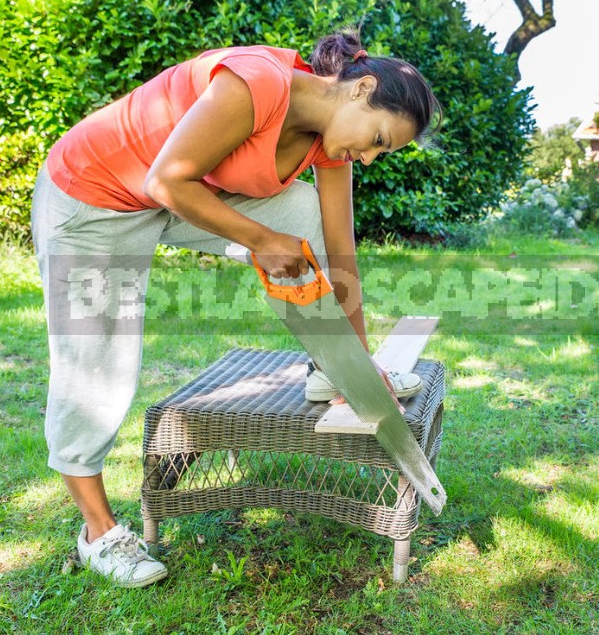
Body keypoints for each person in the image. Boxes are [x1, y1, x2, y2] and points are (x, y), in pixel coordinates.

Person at [30, 29, 442, 588]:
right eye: (377, 138)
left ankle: (331, 371)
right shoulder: (256, 83)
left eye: (380, 152)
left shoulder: (329, 141)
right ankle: (98, 533)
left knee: (304, 213)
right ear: (360, 88)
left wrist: (357, 365)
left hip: (167, 197)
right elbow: (166, 178)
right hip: (94, 198)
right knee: (100, 362)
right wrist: (259, 240)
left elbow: (339, 252)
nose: (368, 157)